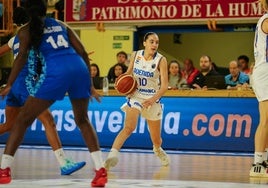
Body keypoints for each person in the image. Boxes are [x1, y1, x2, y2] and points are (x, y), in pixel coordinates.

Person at [0, 1, 107, 187]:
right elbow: (81, 51)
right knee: (82, 120)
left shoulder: (24, 32)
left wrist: (9, 83)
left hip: (57, 72)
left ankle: (4, 170)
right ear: (46, 11)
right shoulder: (61, 24)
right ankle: (101, 171)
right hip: (80, 68)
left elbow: (21, 57)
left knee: (23, 120)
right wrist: (90, 85)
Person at [104, 32, 170, 170]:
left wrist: (152, 100)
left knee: (156, 139)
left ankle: (157, 149)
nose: (154, 45)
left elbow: (164, 86)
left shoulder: (161, 60)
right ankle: (112, 156)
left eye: (156, 42)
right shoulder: (135, 55)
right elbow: (129, 73)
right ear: (145, 43)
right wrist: (122, 80)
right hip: (136, 95)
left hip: (152, 98)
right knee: (129, 127)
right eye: (151, 41)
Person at [249, 0, 268, 177]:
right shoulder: (266, 19)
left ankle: (265, 159)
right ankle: (257, 164)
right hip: (265, 72)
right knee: (265, 119)